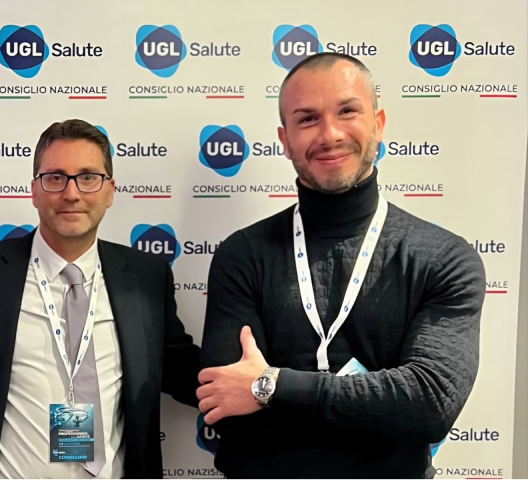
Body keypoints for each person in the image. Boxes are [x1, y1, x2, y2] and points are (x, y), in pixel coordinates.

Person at [198, 53, 486, 479]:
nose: (330, 134)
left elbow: (430, 403)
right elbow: (230, 411)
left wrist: (272, 386)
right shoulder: (242, 254)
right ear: (284, 139)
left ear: (378, 124)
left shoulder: (442, 257)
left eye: (347, 111)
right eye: (307, 118)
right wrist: (375, 410)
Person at [0, 119, 200, 479]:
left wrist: (250, 387)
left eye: (88, 177)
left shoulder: (147, 276)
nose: (72, 193)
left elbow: (178, 366)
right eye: (55, 178)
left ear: (110, 191)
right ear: (34, 191)